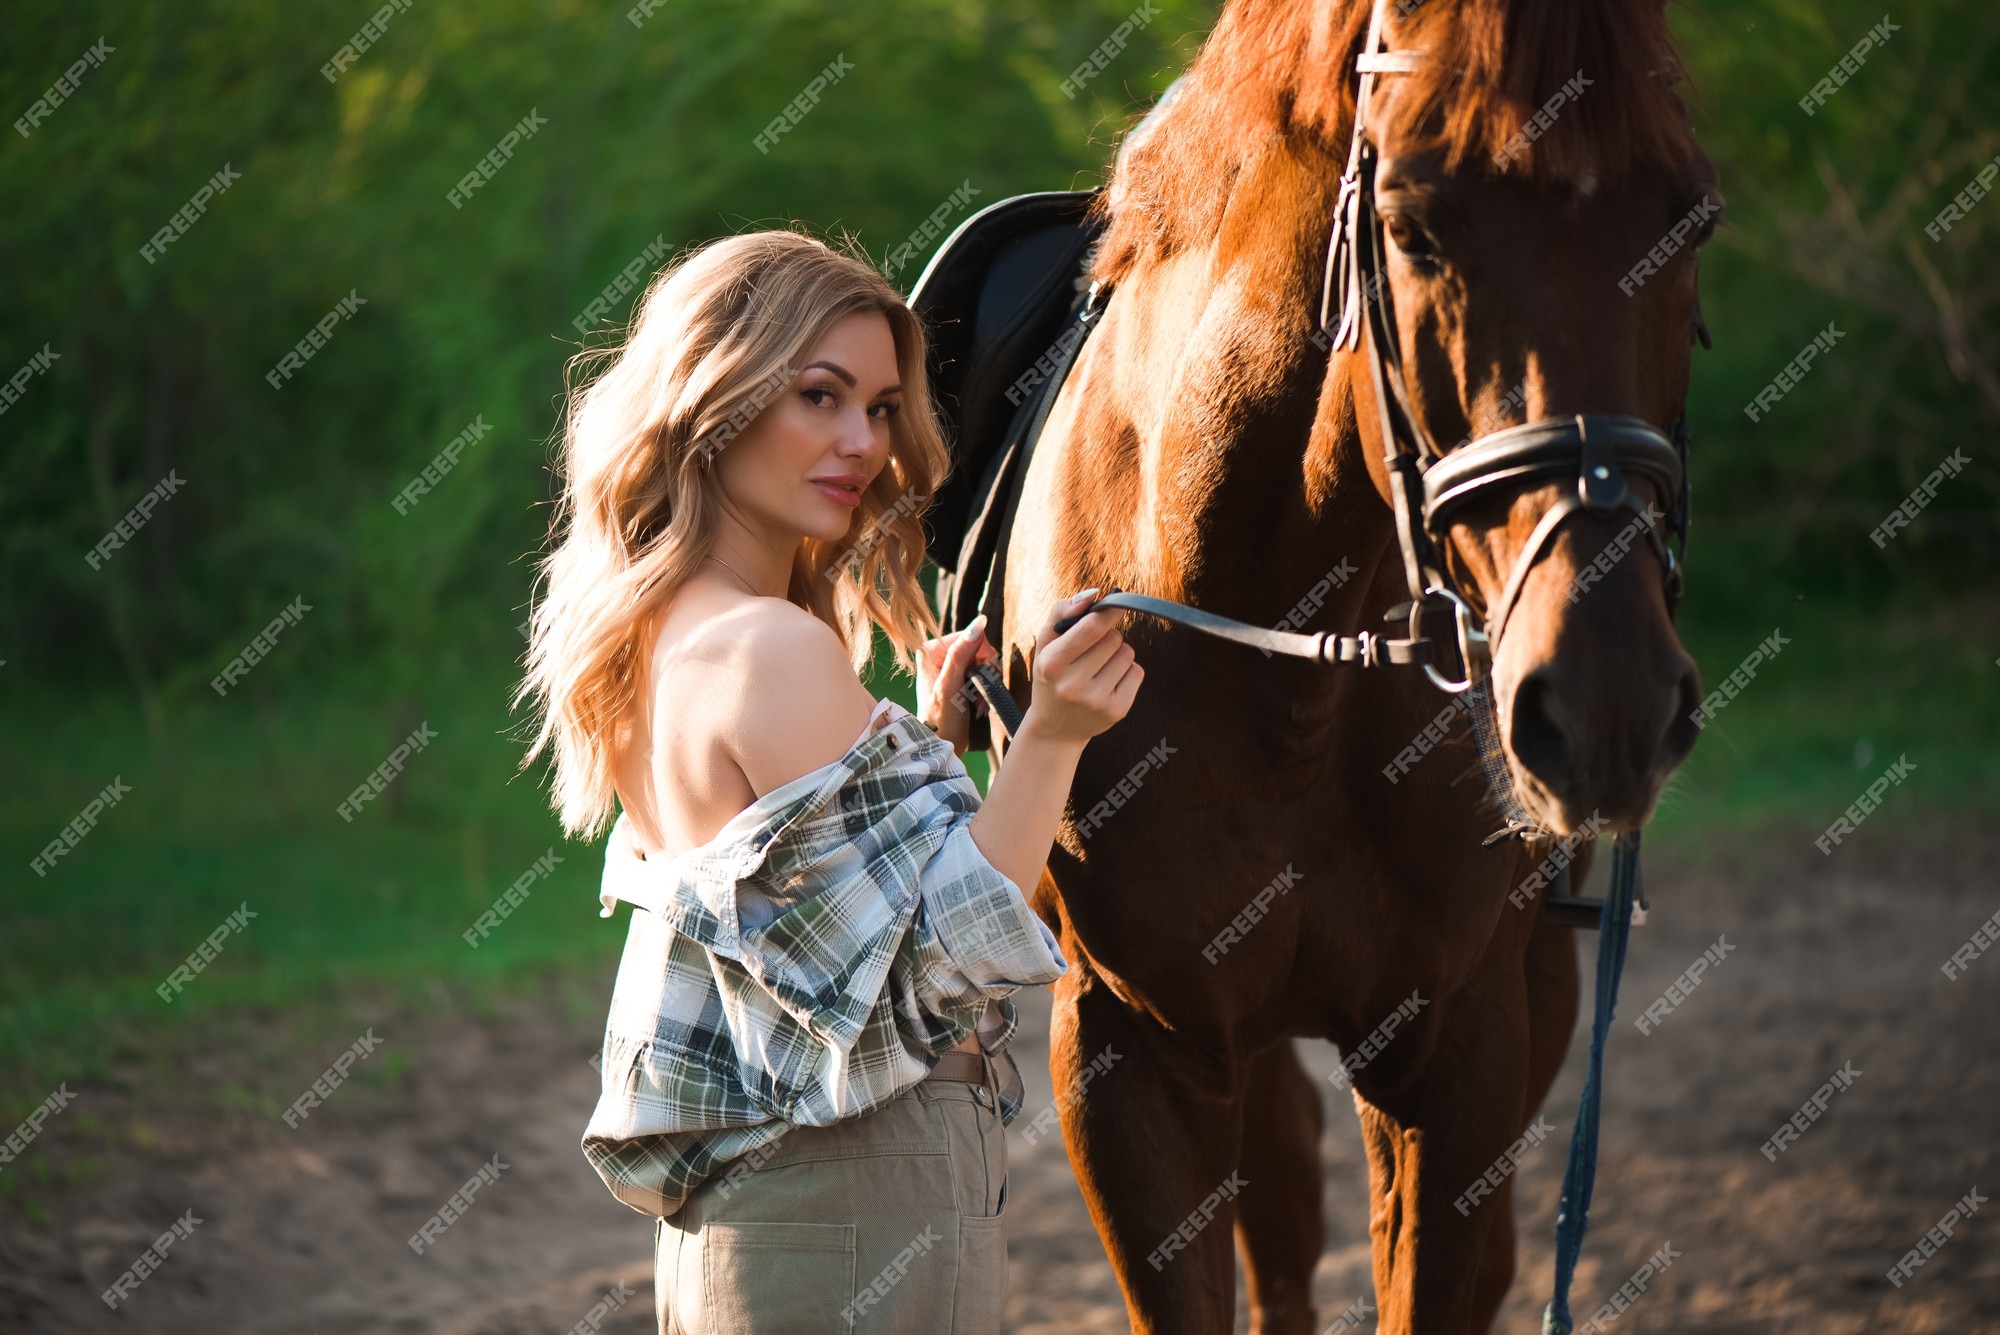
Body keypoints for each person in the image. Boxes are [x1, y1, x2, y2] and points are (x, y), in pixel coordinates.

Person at [511, 228, 1143, 1334]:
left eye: (883, 407)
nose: (861, 441)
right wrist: (1053, 737)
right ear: (715, 400)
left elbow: (818, 937)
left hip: (758, 1219)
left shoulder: (654, 636)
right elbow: (941, 956)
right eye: (819, 396)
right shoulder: (776, 649)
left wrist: (932, 750)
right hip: (865, 1194)